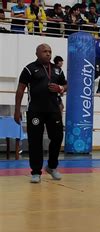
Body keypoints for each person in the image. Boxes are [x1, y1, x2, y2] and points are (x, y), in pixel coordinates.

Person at [14, 44, 67, 183]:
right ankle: (36, 172)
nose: (48, 54)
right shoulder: (29, 69)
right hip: (35, 111)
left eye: (50, 51)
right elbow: (20, 90)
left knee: (57, 138)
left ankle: (51, 166)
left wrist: (60, 88)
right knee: (35, 141)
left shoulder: (57, 70)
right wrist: (16, 109)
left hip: (54, 110)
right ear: (37, 53)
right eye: (44, 51)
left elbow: (66, 85)